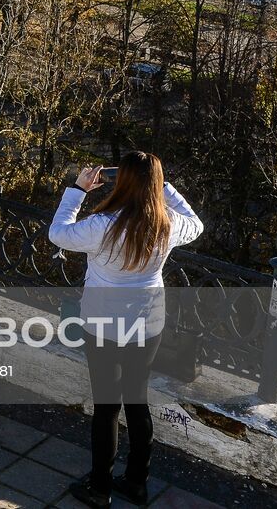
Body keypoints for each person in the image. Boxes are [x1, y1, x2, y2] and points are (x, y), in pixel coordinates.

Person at [48, 151, 203, 508]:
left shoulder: (103, 225)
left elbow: (58, 233)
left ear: (124, 182)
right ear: (154, 184)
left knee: (107, 407)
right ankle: (136, 483)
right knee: (136, 400)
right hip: (148, 324)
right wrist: (164, 188)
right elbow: (197, 223)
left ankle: (99, 488)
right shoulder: (168, 225)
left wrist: (77, 189)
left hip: (103, 323)